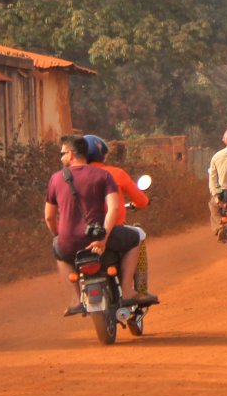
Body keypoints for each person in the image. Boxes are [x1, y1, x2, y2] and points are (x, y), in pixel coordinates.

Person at [45, 135, 156, 317]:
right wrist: (102, 238)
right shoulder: (105, 175)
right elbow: (113, 208)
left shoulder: (57, 178)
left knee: (59, 251)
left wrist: (61, 235)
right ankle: (128, 289)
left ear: (72, 155)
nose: (61, 157)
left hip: (69, 241)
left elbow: (49, 217)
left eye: (62, 153)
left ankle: (75, 298)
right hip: (102, 235)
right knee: (136, 238)